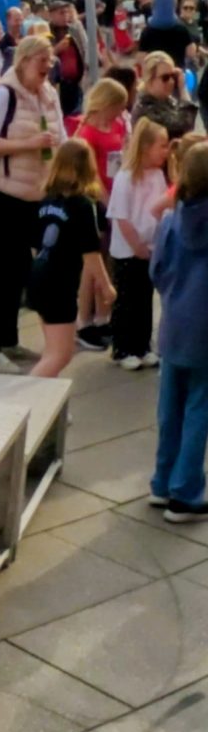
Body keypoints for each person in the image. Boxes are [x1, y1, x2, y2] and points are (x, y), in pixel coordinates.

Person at [0, 35, 66, 369]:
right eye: (42, 59)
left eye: (50, 61)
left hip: (39, 195)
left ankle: (10, 341)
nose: (47, 66)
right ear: (25, 60)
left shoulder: (49, 94)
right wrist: (31, 143)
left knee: (21, 272)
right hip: (5, 197)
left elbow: (61, 137)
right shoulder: (5, 93)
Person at [147, 143, 208, 523]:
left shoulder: (170, 221)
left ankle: (163, 480)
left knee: (170, 406)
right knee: (200, 406)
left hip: (174, 321)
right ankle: (186, 491)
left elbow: (156, 270)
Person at [27, 139, 112, 379]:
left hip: (39, 274)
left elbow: (36, 242)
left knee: (52, 349)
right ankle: (26, 402)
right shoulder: (82, 205)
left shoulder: (47, 199)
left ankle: (50, 405)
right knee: (61, 355)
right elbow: (92, 255)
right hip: (59, 283)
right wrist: (106, 288)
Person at [107, 119, 173, 370]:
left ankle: (142, 345)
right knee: (127, 300)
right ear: (145, 147)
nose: (166, 152)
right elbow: (121, 216)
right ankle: (123, 348)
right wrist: (136, 245)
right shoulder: (125, 177)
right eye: (162, 146)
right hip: (128, 250)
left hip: (150, 248)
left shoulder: (156, 175)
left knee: (144, 300)